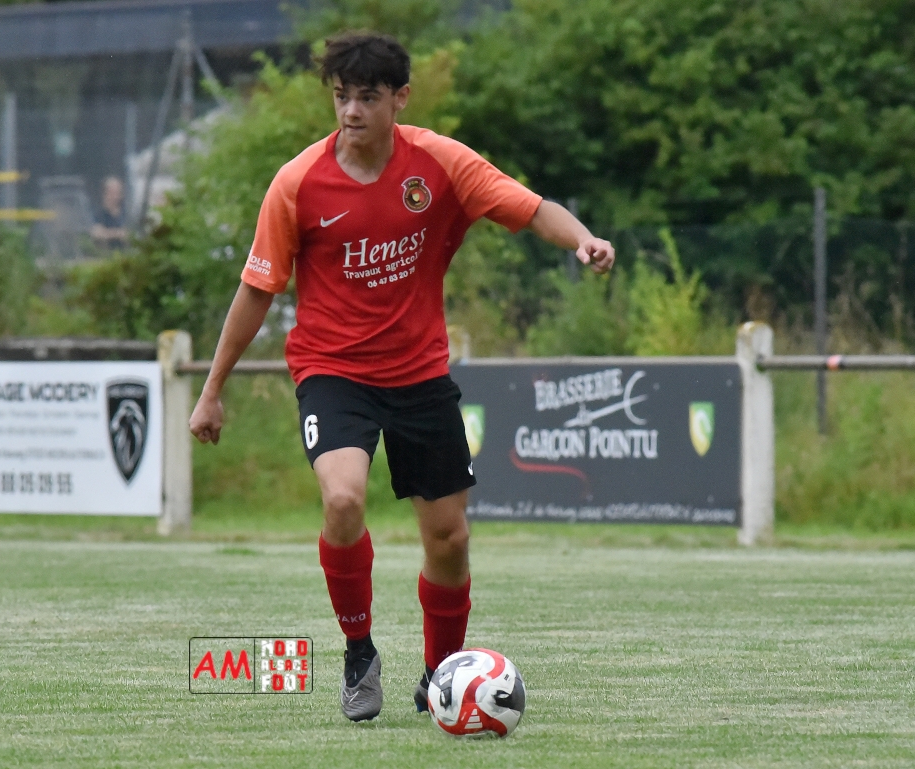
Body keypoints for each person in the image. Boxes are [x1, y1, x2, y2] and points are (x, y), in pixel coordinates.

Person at [188, 32, 614, 722]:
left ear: (400, 99)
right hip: (333, 371)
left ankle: (440, 676)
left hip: (418, 374)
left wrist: (583, 239)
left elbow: (533, 208)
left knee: (450, 538)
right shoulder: (297, 182)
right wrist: (212, 390)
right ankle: (359, 652)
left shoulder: (441, 163)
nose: (351, 111)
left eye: (367, 97)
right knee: (343, 500)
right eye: (341, 96)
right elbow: (257, 290)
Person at [91, 176, 128, 249]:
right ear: (104, 194)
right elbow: (96, 233)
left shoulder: (126, 214)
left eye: (118, 192)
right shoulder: (99, 214)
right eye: (111, 192)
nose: (115, 196)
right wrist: (117, 233)